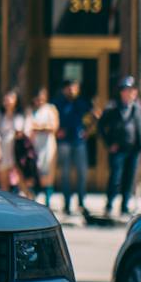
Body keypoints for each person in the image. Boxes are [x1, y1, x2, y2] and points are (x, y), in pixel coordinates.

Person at [97, 76, 141, 220]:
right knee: (115, 178)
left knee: (129, 178)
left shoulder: (139, 108)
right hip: (118, 149)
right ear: (121, 92)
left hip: (134, 150)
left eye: (131, 91)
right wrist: (109, 143)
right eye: (126, 90)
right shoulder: (112, 108)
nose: (129, 93)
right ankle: (109, 205)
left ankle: (125, 206)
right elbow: (101, 126)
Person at [55, 76, 89, 217]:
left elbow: (93, 117)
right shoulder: (57, 103)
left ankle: (81, 203)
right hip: (64, 143)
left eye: (74, 87)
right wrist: (57, 130)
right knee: (66, 175)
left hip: (79, 142)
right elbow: (52, 119)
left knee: (82, 173)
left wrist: (87, 130)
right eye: (69, 87)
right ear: (64, 89)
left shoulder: (82, 103)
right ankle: (67, 204)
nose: (72, 90)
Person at [30, 89, 60, 208]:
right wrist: (43, 127)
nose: (40, 101)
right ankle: (35, 198)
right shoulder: (32, 110)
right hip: (35, 144)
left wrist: (40, 128)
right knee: (36, 171)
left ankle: (48, 200)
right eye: (37, 99)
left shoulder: (50, 109)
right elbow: (30, 127)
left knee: (48, 172)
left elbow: (53, 127)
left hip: (48, 145)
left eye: (42, 99)